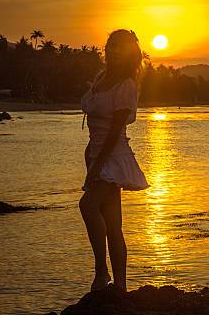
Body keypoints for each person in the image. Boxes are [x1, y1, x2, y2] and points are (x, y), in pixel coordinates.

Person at [79, 29, 149, 292]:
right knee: (113, 226)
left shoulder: (126, 85)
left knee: (87, 206)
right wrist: (91, 158)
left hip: (113, 156)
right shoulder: (101, 79)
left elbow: (114, 131)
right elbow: (96, 129)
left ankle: (101, 273)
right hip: (96, 154)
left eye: (120, 46)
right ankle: (120, 287)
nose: (113, 50)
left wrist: (98, 165)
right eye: (111, 44)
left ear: (130, 53)